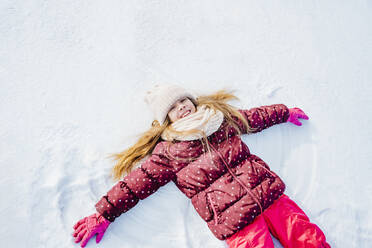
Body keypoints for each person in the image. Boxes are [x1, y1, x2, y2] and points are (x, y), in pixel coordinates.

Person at [72, 83, 331, 248]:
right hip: (235, 220)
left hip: (269, 195)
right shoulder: (170, 151)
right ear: (167, 120)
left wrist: (284, 112)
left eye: (182, 100)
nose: (181, 107)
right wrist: (104, 213)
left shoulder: (219, 120)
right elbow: (137, 183)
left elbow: (253, 117)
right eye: (173, 108)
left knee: (307, 238)